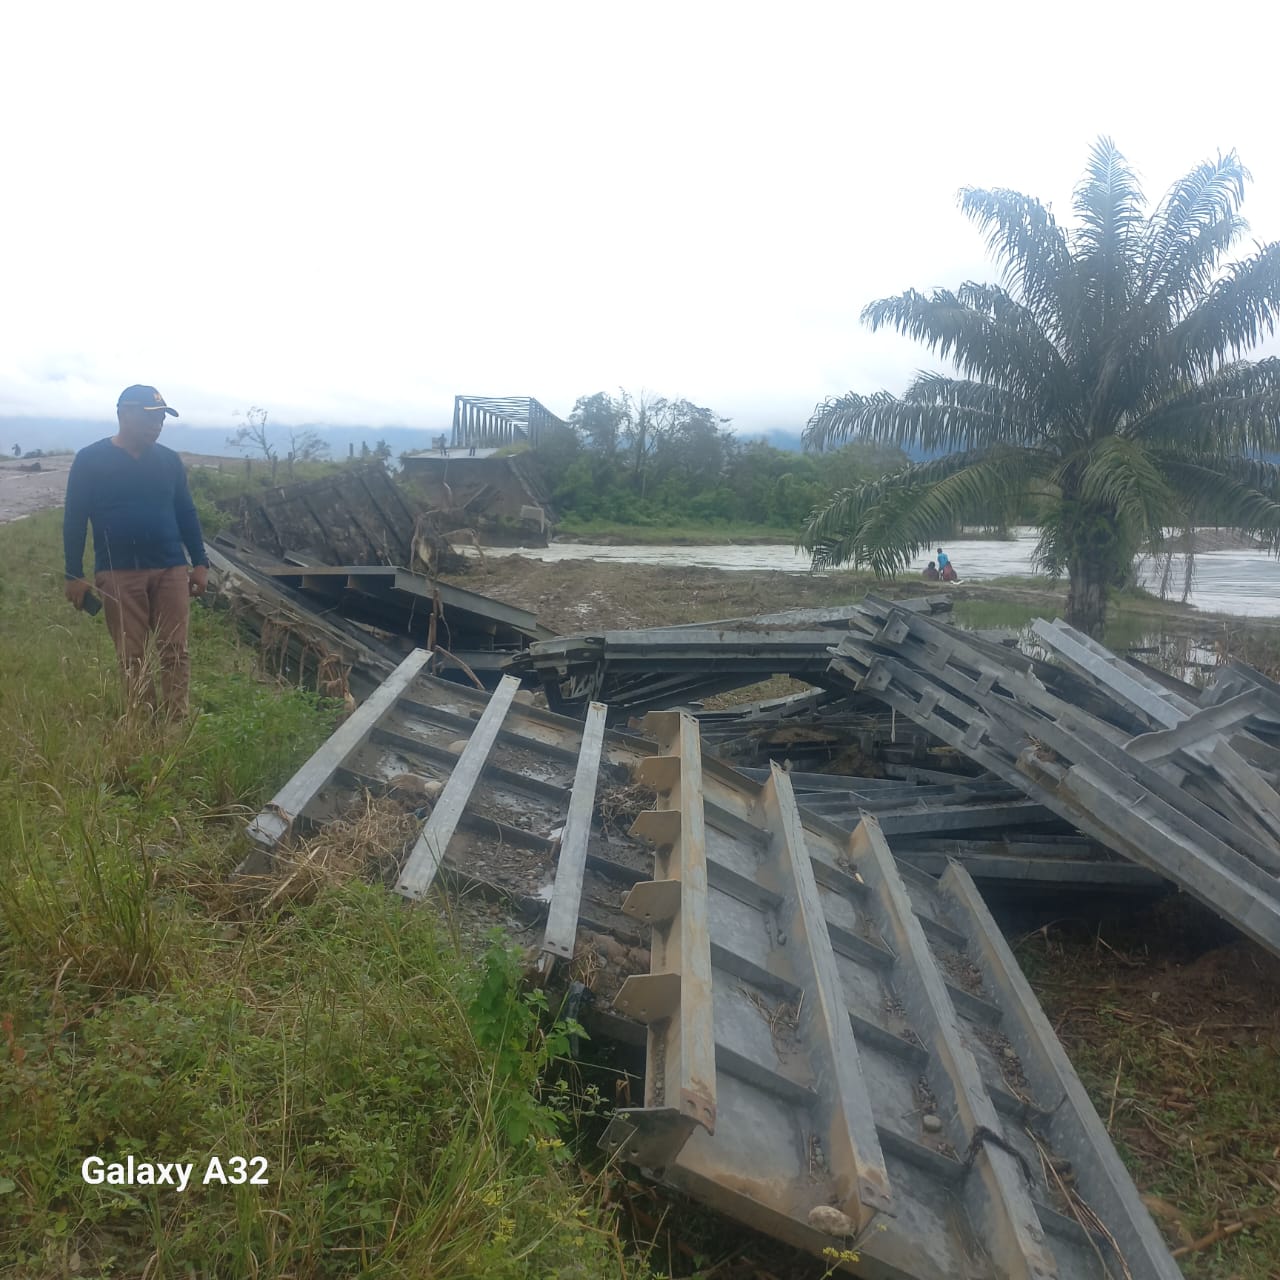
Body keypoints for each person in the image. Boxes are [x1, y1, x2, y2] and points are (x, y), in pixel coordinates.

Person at [63, 385, 209, 716]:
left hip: (171, 568)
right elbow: (74, 519)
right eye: (149, 417)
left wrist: (200, 562)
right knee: (132, 655)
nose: (156, 425)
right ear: (122, 414)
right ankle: (142, 723)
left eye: (161, 418)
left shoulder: (169, 461)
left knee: (175, 650)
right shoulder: (90, 460)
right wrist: (74, 573)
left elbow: (186, 513)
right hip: (118, 572)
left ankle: (175, 724)